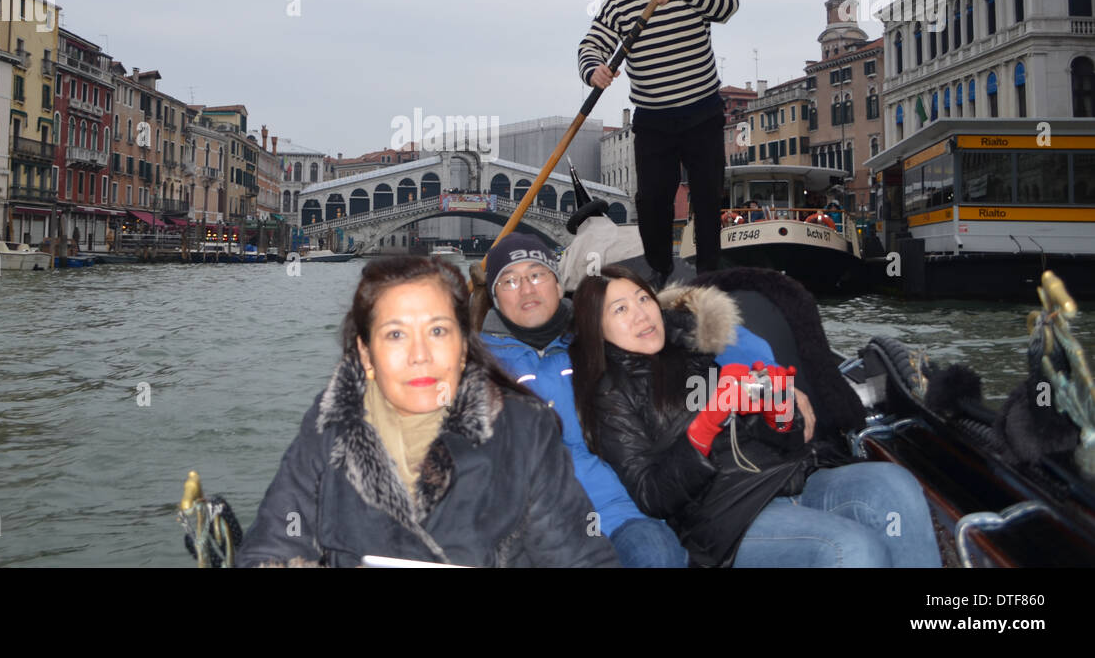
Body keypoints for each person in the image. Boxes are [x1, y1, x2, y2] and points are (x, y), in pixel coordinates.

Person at [236, 255, 618, 568]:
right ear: (366, 354)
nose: (420, 355)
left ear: (464, 347)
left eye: (437, 331)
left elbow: (581, 556)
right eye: (396, 334)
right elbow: (272, 545)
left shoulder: (524, 431)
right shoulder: (328, 428)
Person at [569, 264, 941, 567]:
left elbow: (786, 439)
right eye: (620, 309)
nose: (641, 314)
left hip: (790, 478)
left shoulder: (693, 355)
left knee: (895, 483)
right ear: (595, 328)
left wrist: (779, 415)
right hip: (726, 519)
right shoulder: (608, 394)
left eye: (643, 299)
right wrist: (704, 426)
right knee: (852, 547)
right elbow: (651, 494)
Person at [479, 234, 688, 567]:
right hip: (531, 525)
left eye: (536, 274)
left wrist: (753, 371)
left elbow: (679, 336)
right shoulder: (476, 364)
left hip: (617, 514)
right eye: (510, 281)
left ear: (558, 284)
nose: (527, 289)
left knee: (656, 553)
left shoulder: (596, 337)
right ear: (495, 299)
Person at [579, 0, 739, 286]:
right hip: (653, 119)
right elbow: (590, 44)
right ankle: (659, 271)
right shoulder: (620, 3)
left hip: (702, 112)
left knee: (707, 194)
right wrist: (594, 71)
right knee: (652, 199)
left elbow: (730, 4)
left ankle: (709, 274)